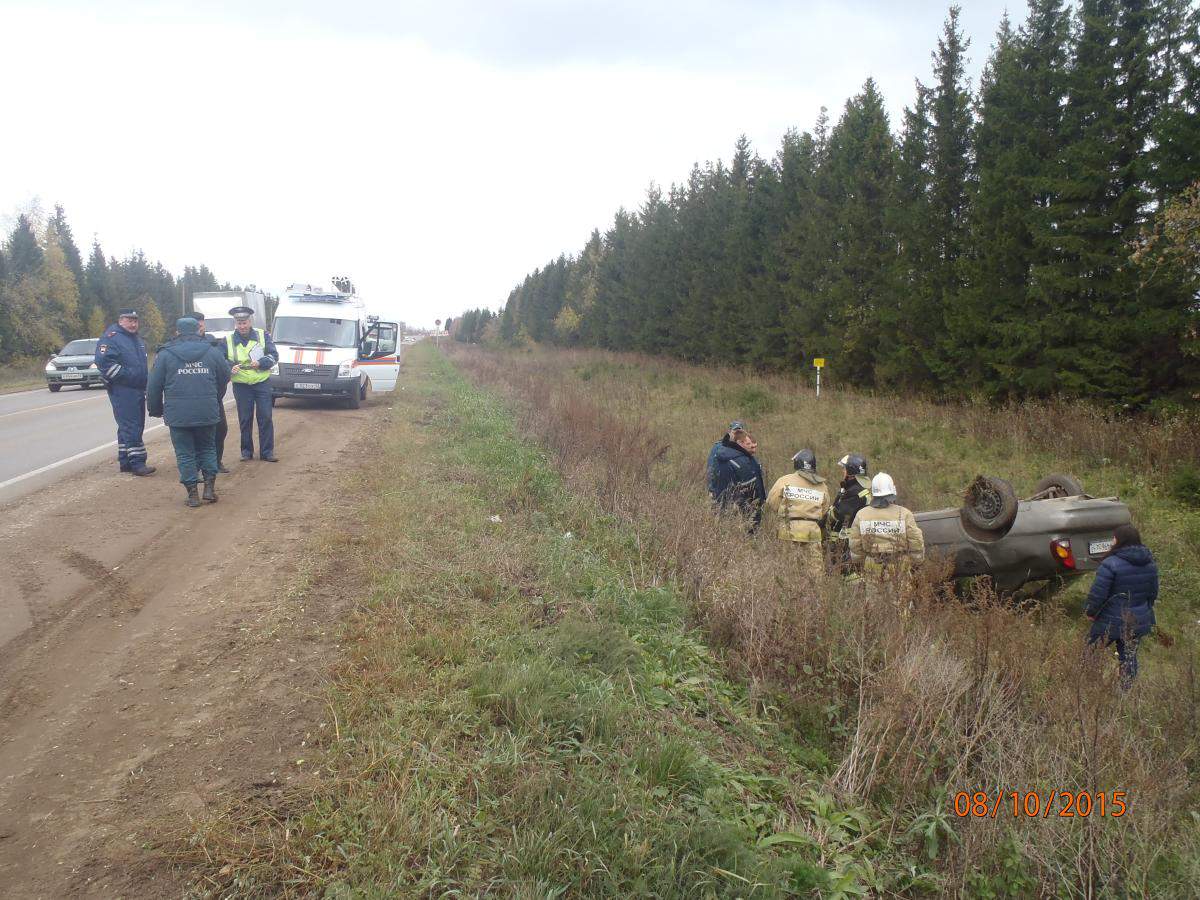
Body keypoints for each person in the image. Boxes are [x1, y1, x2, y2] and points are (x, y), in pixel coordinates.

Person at [147, 318, 232, 507]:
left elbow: (153, 386)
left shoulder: (165, 354)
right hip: (207, 410)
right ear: (198, 330)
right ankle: (209, 489)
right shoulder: (212, 351)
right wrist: (213, 397)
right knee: (208, 448)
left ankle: (193, 494)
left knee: (185, 453)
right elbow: (225, 376)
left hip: (178, 414)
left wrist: (155, 409)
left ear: (177, 332)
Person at [1085, 524, 1158, 687]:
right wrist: (1144, 611)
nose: (1112, 541)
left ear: (1118, 540)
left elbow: (1098, 594)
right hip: (1137, 620)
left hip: (1109, 621)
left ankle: (1087, 687)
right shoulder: (1150, 563)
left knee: (1091, 652)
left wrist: (1091, 611)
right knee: (1129, 658)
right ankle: (1124, 693)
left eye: (1114, 538)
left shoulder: (1110, 563)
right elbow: (1152, 593)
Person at [95, 308, 155, 476]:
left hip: (136, 388)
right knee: (132, 425)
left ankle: (126, 461)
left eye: (135, 320)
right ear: (121, 321)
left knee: (127, 427)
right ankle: (138, 463)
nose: (133, 323)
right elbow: (104, 363)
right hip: (123, 389)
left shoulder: (134, 338)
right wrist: (128, 378)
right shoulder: (111, 337)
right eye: (129, 320)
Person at [764, 449, 831, 577]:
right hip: (812, 531)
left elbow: (772, 502)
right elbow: (824, 509)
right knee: (815, 571)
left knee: (788, 570)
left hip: (788, 530)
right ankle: (814, 596)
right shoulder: (822, 486)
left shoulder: (784, 480)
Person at [226, 306, 280, 462]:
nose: (242, 326)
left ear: (250, 321)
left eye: (244, 322)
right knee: (245, 418)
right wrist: (230, 366)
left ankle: (267, 452)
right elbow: (221, 359)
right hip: (241, 385)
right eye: (239, 323)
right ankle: (246, 451)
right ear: (235, 323)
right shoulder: (228, 340)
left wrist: (262, 363)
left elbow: (274, 355)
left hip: (261, 382)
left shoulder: (263, 336)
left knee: (265, 417)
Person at [848, 473, 925, 577]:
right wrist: (916, 562)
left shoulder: (861, 515)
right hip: (899, 567)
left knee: (874, 593)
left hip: (872, 568)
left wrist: (859, 562)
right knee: (901, 593)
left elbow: (855, 545)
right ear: (892, 492)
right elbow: (916, 542)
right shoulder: (904, 513)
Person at [192, 312, 231, 474]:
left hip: (214, 396)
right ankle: (196, 464)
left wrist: (220, 387)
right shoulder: (178, 344)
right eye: (198, 325)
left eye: (202, 325)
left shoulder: (211, 341)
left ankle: (216, 461)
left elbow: (223, 364)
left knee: (221, 429)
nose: (201, 328)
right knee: (194, 432)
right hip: (192, 396)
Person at [710, 426, 766, 530]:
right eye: (748, 444)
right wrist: (756, 505)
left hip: (724, 506)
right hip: (742, 509)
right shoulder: (740, 461)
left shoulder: (723, 454)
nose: (752, 448)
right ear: (739, 443)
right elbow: (749, 486)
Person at [826, 453, 871, 570]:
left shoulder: (853, 492)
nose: (843, 471)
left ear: (850, 471)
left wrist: (827, 515)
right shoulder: (862, 488)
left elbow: (838, 515)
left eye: (844, 469)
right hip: (857, 538)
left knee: (845, 571)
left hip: (847, 541)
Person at [707, 421, 745, 498]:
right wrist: (711, 489)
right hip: (722, 488)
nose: (737, 435)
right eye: (735, 432)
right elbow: (711, 467)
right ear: (729, 432)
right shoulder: (719, 447)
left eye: (739, 432)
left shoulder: (745, 446)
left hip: (740, 489)